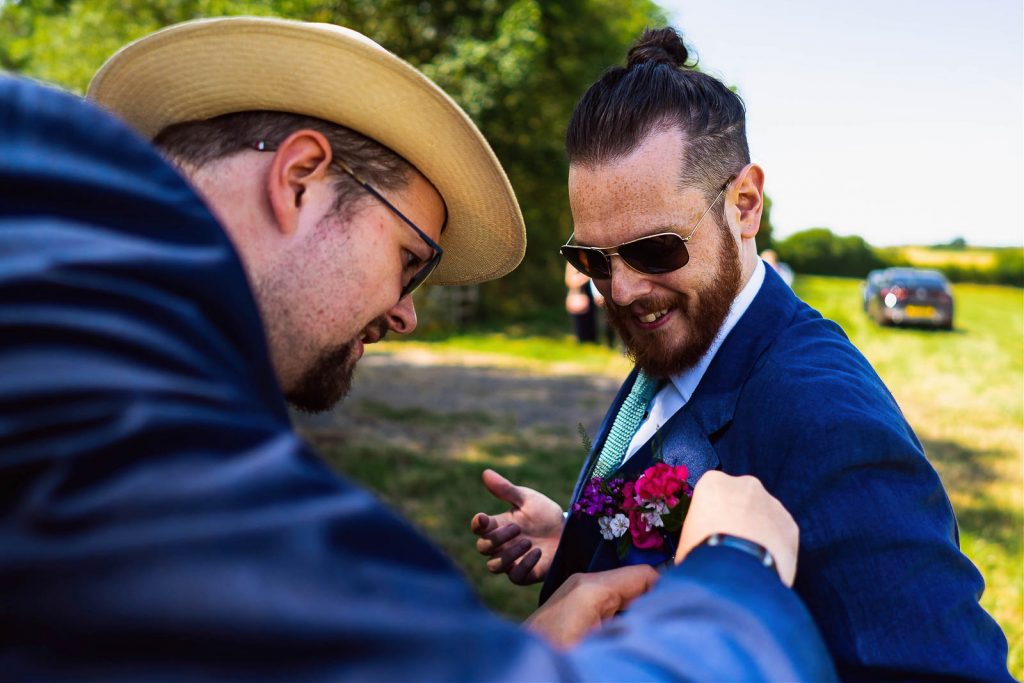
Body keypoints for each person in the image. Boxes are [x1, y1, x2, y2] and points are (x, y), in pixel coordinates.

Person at [0, 19, 838, 681]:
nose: (406, 315)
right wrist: (741, 574)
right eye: (410, 261)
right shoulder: (121, 400)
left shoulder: (61, 280)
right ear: (298, 177)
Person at [471, 27, 1013, 682]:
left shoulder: (823, 415)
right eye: (592, 259)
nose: (621, 289)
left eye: (655, 249)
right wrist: (579, 540)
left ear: (745, 205)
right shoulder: (685, 332)